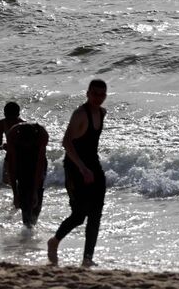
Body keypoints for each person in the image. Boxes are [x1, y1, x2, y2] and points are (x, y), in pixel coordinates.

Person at [48, 79, 108, 267]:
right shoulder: (80, 114)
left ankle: (87, 258)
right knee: (80, 214)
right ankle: (54, 241)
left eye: (102, 94)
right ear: (87, 93)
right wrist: (82, 168)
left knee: (96, 214)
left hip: (94, 166)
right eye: (95, 93)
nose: (98, 98)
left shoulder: (102, 112)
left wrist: (90, 168)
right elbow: (66, 142)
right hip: (75, 167)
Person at [6, 122, 49, 227]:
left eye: (29, 144)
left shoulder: (42, 135)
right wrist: (15, 195)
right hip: (20, 157)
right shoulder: (12, 135)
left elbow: (39, 166)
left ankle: (33, 221)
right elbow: (12, 168)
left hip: (37, 157)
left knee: (37, 194)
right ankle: (27, 225)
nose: (27, 146)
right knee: (23, 190)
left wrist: (35, 192)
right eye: (25, 144)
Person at [0, 102, 24, 207]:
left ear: (18, 115)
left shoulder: (22, 124)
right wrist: (2, 146)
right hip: (9, 154)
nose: (10, 119)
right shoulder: (1, 123)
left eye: (12, 116)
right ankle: (17, 197)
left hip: (22, 155)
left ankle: (17, 199)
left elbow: (27, 143)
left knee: (18, 179)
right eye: (7, 116)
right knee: (6, 180)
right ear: (4, 114)